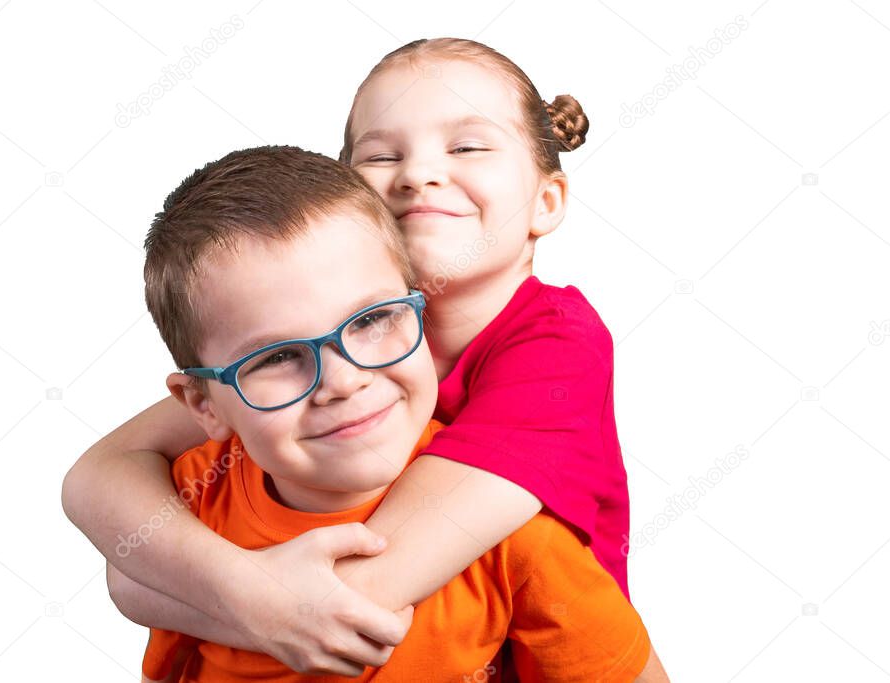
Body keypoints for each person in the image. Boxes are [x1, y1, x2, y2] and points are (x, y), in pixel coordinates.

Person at [62, 38, 643, 676]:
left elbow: (361, 593)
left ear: (547, 201)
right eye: (382, 155)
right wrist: (200, 582)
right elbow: (100, 475)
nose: (419, 173)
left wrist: (178, 584)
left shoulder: (557, 345)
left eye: (468, 146)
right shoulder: (315, 356)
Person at [135, 145, 666, 682]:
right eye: (277, 356)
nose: (344, 381)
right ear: (203, 403)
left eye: (371, 320)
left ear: (423, 312)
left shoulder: (512, 532)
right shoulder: (185, 506)